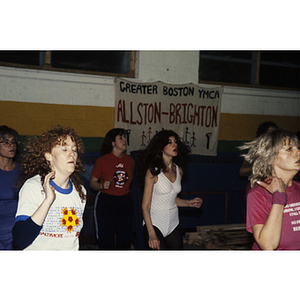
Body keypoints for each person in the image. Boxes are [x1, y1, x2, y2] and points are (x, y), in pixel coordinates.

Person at [13, 125, 86, 250]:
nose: (72, 154)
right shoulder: (33, 187)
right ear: (48, 156)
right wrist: (47, 201)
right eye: (64, 149)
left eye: (74, 149)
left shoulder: (80, 191)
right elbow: (21, 240)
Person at [139, 130, 203, 250]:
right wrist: (151, 234)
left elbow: (172, 198)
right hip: (155, 223)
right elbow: (145, 206)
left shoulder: (179, 170)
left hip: (174, 223)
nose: (175, 145)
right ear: (161, 147)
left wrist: (188, 203)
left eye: (175, 142)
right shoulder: (153, 172)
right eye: (170, 142)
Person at [240, 128, 300, 250]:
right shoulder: (258, 195)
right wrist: (279, 197)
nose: (298, 152)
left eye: (297, 147)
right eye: (289, 149)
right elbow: (268, 245)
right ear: (270, 158)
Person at [90, 128, 135, 250]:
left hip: (124, 201)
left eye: (125, 137)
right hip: (107, 201)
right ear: (113, 143)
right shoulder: (102, 161)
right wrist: (101, 186)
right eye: (120, 138)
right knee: (106, 240)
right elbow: (92, 183)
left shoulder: (130, 161)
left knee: (125, 239)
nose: (124, 140)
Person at [0, 125, 21, 250]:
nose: (11, 146)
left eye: (13, 142)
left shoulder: (22, 171)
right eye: (6, 142)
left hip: (14, 227)